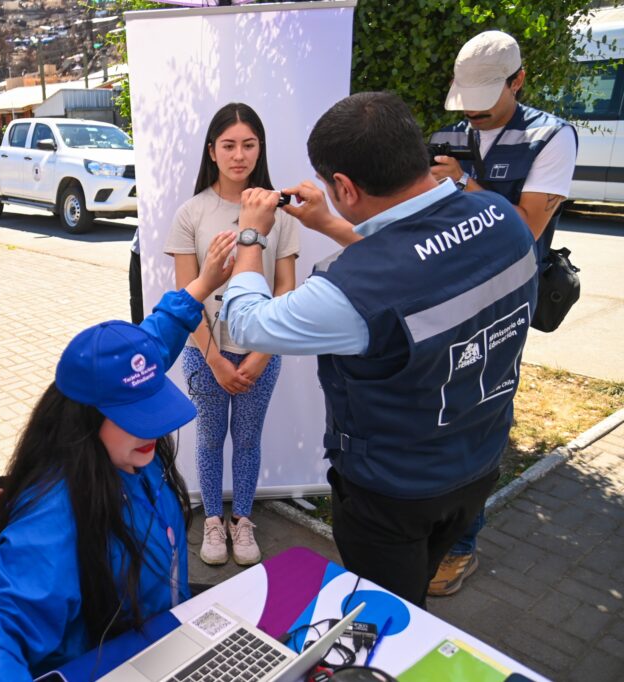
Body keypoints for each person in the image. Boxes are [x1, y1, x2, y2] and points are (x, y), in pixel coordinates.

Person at [221, 92, 538, 608]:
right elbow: (417, 267)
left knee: (390, 617)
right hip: (478, 463)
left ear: (345, 187)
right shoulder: (502, 218)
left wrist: (251, 235)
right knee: (417, 593)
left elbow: (246, 323)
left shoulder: (350, 292)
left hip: (393, 495)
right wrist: (328, 223)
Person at [0, 231, 239, 680]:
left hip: (167, 650)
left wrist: (203, 283)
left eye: (153, 405)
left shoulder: (124, 441)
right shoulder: (56, 513)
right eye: (135, 415)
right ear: (84, 419)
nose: (153, 429)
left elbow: (153, 341)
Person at [428, 30, 578, 597]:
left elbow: (526, 228)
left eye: (484, 100)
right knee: (439, 411)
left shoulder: (551, 137)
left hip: (506, 304)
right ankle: (432, 528)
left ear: (518, 81)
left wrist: (463, 184)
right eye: (464, 100)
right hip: (445, 297)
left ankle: (460, 546)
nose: (472, 113)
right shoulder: (449, 134)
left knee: (483, 417)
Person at [164, 103, 298, 566]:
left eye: (248, 144)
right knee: (208, 439)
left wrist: (261, 353)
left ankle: (242, 519)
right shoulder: (192, 212)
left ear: (260, 149)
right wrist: (217, 360)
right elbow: (187, 295)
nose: (239, 155)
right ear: (212, 151)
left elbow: (285, 289)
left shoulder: (279, 212)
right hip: (206, 351)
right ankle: (212, 520)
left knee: (248, 438)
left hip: (262, 351)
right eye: (228, 145)